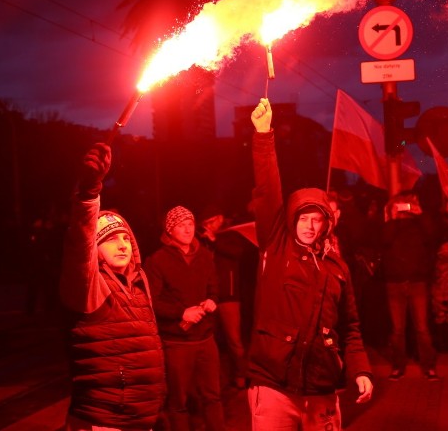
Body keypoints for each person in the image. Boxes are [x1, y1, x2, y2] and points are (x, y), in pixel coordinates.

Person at [248, 97, 373, 431]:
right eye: (304, 218)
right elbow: (268, 191)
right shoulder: (276, 247)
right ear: (292, 220)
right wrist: (263, 136)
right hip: (273, 383)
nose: (310, 226)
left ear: (327, 225)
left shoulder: (337, 266)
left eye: (318, 220)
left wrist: (360, 369)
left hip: (321, 387)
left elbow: (351, 327)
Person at [60, 143, 166, 431]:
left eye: (125, 239)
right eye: (110, 239)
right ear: (95, 249)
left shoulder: (138, 286)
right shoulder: (90, 287)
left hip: (141, 419)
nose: (122, 244)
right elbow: (79, 246)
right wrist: (88, 194)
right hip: (105, 421)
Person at [145, 205, 225, 431]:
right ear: (170, 230)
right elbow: (152, 301)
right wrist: (181, 312)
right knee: (178, 401)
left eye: (190, 224)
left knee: (212, 396)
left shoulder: (205, 256)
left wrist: (212, 300)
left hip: (206, 340)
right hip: (176, 343)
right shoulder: (157, 261)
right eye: (181, 225)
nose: (188, 229)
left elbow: (214, 289)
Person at [382, 191, 439, 381]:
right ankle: (398, 365)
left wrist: (419, 214)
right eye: (402, 204)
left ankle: (429, 366)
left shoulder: (421, 223)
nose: (405, 208)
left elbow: (432, 236)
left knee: (422, 328)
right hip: (395, 282)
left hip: (417, 281)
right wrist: (392, 217)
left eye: (408, 204)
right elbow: (385, 240)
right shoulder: (392, 225)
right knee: (398, 330)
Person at [201, 204, 253, 391]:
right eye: (206, 223)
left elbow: (237, 253)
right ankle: (216, 381)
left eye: (211, 221)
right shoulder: (205, 240)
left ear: (220, 218)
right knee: (212, 341)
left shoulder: (231, 235)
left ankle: (242, 376)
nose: (209, 226)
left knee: (234, 339)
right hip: (208, 297)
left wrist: (215, 241)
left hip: (229, 295)